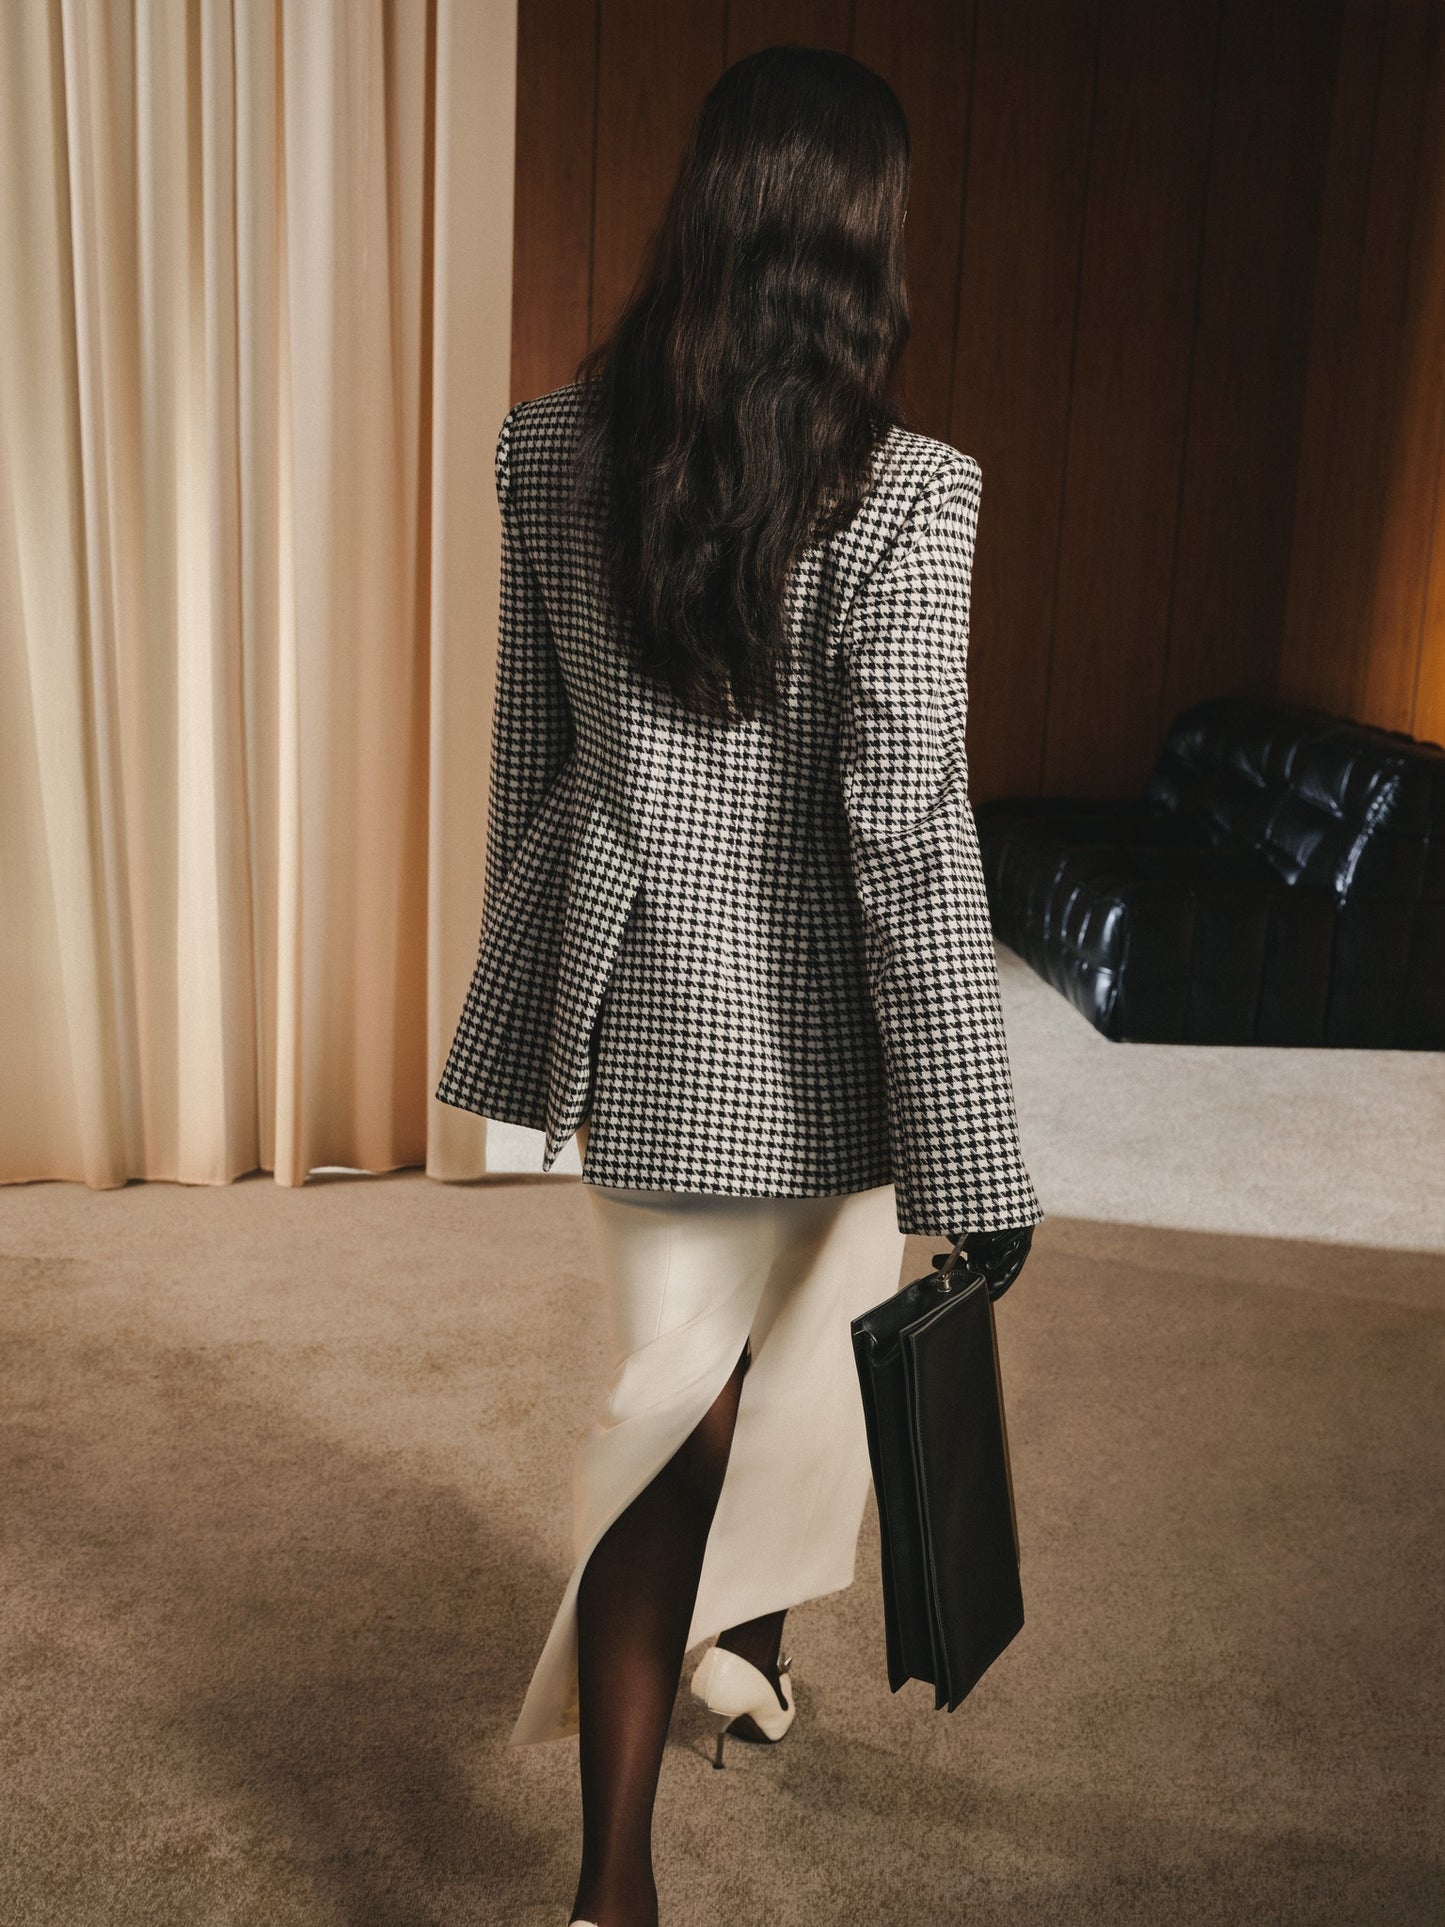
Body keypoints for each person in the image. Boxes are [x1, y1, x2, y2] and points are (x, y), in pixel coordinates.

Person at [434, 43, 1043, 1927]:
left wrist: (534, 1024)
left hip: (642, 1008)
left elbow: (530, 766)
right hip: (839, 1035)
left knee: (691, 1397)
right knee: (769, 1383)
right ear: (858, 249)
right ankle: (631, 1836)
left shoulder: (551, 446)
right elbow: (909, 842)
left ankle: (650, 1819)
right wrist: (977, 1161)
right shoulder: (913, 494)